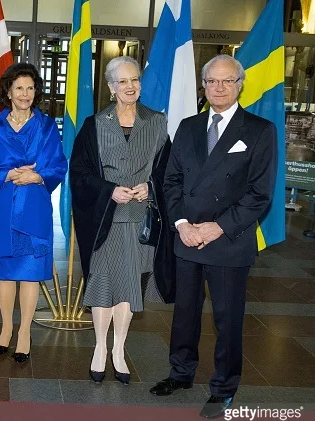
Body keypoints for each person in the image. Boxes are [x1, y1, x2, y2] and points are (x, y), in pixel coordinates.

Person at [150, 55, 277, 419]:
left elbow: (260, 193)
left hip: (228, 240)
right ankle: (181, 373)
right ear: (203, 86)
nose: (219, 88)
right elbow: (170, 181)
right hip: (187, 238)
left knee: (227, 319)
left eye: (227, 81)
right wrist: (182, 224)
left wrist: (217, 227)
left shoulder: (258, 130)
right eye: (212, 82)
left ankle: (223, 388)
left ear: (240, 85)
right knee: (184, 314)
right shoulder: (188, 127)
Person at [70, 56, 172, 384]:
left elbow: (169, 170)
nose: (131, 86)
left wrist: (151, 187)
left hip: (139, 218)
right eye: (123, 81)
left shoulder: (157, 122)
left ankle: (118, 349)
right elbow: (80, 172)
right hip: (105, 217)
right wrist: (108, 190)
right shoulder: (94, 124)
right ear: (112, 87)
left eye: (135, 80)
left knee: (128, 286)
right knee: (102, 281)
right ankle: (99, 347)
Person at [0, 63, 67, 363]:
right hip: (3, 204)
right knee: (5, 273)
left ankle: (25, 332)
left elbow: (57, 164)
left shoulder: (46, 126)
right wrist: (8, 173)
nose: (25, 94)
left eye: (30, 88)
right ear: (8, 92)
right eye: (19, 88)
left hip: (35, 206)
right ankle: (5, 329)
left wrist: (37, 176)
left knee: (29, 275)